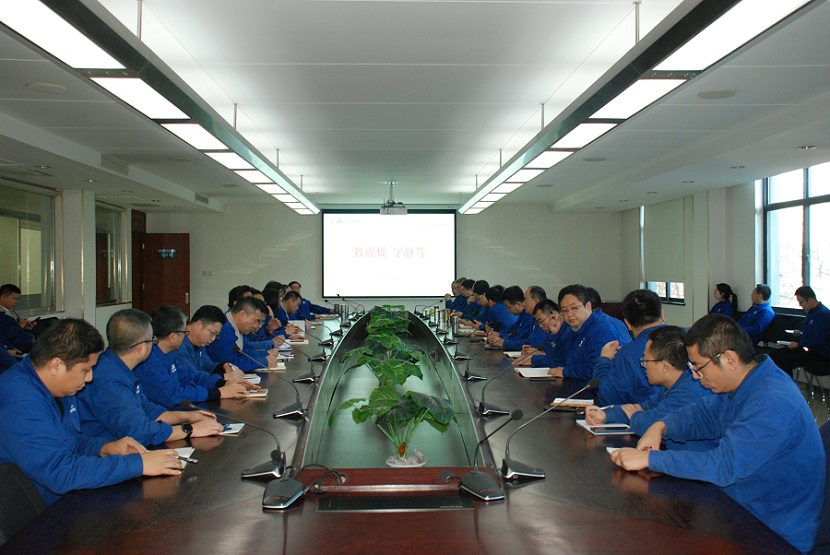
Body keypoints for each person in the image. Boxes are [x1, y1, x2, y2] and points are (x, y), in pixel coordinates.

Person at [610, 314, 824, 553]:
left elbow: (723, 465)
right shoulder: (747, 382)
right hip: (740, 509)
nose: (694, 376)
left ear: (729, 359)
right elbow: (705, 415)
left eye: (698, 367)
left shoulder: (771, 402)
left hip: (772, 531)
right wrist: (661, 426)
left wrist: (651, 459)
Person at [0, 318, 182, 506]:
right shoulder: (19, 400)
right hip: (37, 512)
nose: (89, 378)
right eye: (85, 370)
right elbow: (60, 473)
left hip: (64, 497)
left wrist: (105, 447)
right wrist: (138, 464)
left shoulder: (57, 386)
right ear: (56, 366)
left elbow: (69, 442)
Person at [78, 309, 224, 445]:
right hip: (107, 450)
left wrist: (185, 417)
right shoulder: (110, 380)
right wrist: (190, 430)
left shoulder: (119, 367)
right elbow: (140, 432)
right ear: (141, 347)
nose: (155, 345)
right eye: (152, 341)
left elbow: (146, 408)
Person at [586, 325, 713, 449]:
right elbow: (645, 407)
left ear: (664, 366)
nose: (643, 366)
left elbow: (651, 423)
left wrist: (635, 415)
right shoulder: (674, 383)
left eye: (645, 360)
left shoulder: (691, 389)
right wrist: (606, 415)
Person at [135, 305, 251, 408]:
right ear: (173, 337)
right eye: (184, 332)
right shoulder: (150, 360)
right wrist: (218, 392)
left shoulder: (168, 355)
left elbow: (189, 376)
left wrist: (222, 383)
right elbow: (173, 394)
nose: (186, 334)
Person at [594, 289, 665, 406]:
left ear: (627, 324)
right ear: (662, 314)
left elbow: (608, 397)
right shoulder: (687, 338)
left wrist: (604, 360)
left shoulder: (627, 354)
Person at [547, 284, 631, 379]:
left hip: (594, 386)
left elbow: (596, 368)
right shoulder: (572, 329)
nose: (569, 314)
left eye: (574, 308)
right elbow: (556, 359)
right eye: (564, 310)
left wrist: (565, 372)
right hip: (575, 382)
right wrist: (554, 334)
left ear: (588, 306)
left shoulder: (601, 329)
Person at [175, 305, 248, 382]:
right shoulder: (178, 346)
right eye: (212, 333)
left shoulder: (200, 345)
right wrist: (223, 377)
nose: (213, 339)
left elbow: (207, 365)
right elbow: (189, 377)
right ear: (199, 325)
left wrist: (224, 366)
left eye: (216, 335)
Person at [206, 296, 279, 371]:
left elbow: (245, 351)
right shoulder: (224, 329)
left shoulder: (239, 328)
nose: (259, 326)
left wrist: (266, 354)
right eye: (258, 321)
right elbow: (230, 363)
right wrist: (264, 362)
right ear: (242, 315)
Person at [771, 285, 830, 376]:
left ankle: (787, 383)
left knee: (783, 358)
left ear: (810, 300)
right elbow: (812, 333)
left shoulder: (823, 314)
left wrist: (798, 344)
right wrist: (801, 333)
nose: (800, 305)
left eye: (801, 302)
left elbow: (818, 339)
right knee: (776, 354)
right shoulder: (811, 312)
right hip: (811, 349)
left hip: (821, 355)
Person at [489, 286, 547, 350]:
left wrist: (504, 342)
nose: (523, 304)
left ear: (536, 301)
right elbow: (513, 330)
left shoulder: (543, 320)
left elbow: (530, 343)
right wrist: (499, 334)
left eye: (526, 300)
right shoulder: (532, 317)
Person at [0, 283, 35, 354]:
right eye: (14, 299)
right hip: (15, 348)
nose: (16, 302)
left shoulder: (11, 311)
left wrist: (26, 327)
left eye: (17, 299)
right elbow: (6, 336)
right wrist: (19, 326)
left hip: (26, 344)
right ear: (3, 297)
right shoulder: (2, 315)